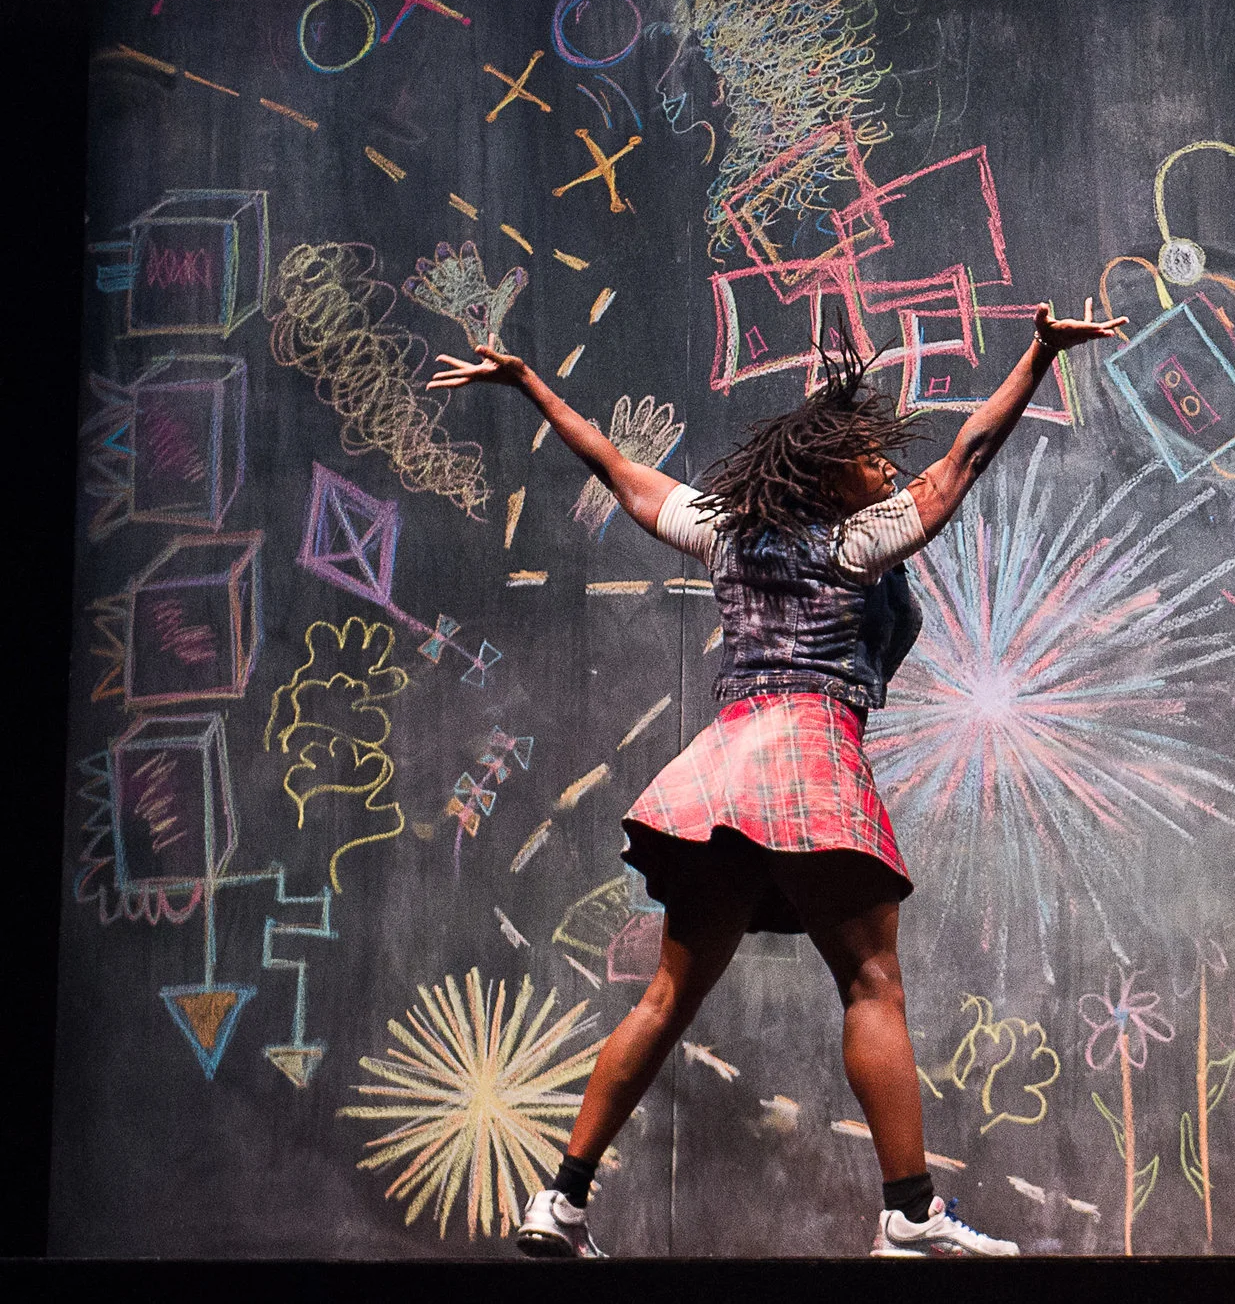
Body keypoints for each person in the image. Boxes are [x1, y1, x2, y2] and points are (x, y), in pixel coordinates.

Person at [427, 303, 1124, 1259]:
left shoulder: (723, 533)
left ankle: (561, 1200)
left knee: (669, 995)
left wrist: (529, 385)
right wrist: (1040, 352)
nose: (887, 469)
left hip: (719, 777)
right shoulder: (856, 541)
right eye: (873, 458)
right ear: (835, 470)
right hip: (806, 765)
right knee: (873, 981)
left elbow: (615, 467)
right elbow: (970, 452)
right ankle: (911, 1215)